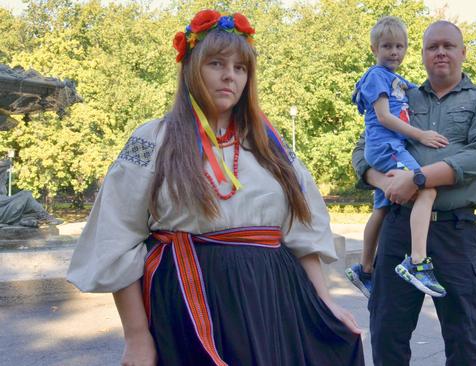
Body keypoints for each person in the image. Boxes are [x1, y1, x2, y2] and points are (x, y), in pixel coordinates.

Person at [67, 10, 364, 366]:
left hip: (271, 299)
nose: (230, 76)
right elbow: (116, 235)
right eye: (217, 64)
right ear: (192, 69)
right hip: (187, 300)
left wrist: (325, 301)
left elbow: (302, 230)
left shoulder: (271, 144)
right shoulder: (153, 139)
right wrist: (136, 336)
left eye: (241, 68)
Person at [352, 20, 476, 366]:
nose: (440, 52)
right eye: (431, 47)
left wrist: (417, 179)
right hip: (398, 228)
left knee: (464, 338)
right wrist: (385, 182)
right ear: (420, 55)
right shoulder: (400, 93)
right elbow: (361, 150)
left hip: (455, 232)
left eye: (448, 46)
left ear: (463, 53)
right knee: (387, 331)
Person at [345, 16, 449, 299]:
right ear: (374, 49)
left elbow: (420, 93)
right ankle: (417, 261)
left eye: (400, 46)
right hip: (386, 147)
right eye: (387, 46)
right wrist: (421, 135)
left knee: (381, 208)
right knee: (426, 189)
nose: (394, 52)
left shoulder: (397, 80)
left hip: (387, 148)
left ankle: (365, 269)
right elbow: (383, 116)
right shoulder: (376, 76)